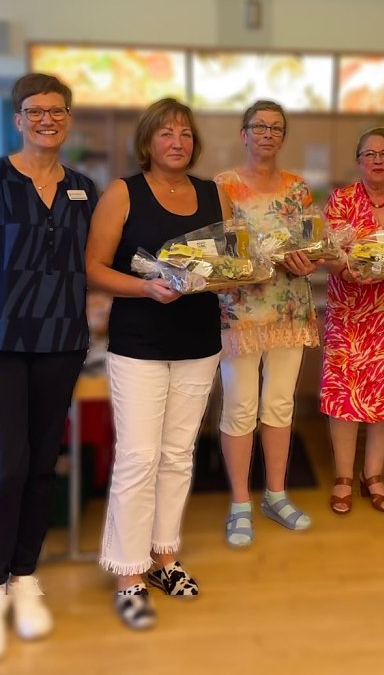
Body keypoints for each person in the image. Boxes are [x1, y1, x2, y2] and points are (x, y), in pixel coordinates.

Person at [0, 73, 97, 664]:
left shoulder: (82, 188)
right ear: (18, 118)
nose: (46, 120)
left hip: (60, 345)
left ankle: (25, 579)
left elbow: (88, 264)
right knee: (4, 470)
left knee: (40, 468)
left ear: (68, 118)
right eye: (35, 111)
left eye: (57, 111)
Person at [86, 98, 232, 628]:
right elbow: (93, 269)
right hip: (139, 344)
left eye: (186, 134)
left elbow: (228, 263)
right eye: (167, 133)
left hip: (200, 341)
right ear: (148, 141)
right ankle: (128, 571)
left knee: (177, 455)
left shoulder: (214, 195)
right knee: (138, 459)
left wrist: (235, 273)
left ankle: (164, 557)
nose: (178, 142)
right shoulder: (124, 192)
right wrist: (148, 288)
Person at [214, 100, 319, 548]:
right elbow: (216, 250)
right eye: (259, 126)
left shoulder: (298, 188)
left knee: (279, 405)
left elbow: (315, 245)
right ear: (244, 133)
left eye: (276, 127)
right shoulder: (223, 186)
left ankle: (275, 494)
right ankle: (239, 503)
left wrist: (308, 260)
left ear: (283, 135)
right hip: (239, 312)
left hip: (289, 309)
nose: (267, 134)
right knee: (239, 407)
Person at [320, 127, 384, 514]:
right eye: (369, 154)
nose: (377, 160)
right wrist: (345, 270)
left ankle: (373, 474)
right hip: (350, 312)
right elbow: (328, 252)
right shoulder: (341, 200)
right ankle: (344, 476)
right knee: (345, 395)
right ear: (358, 160)